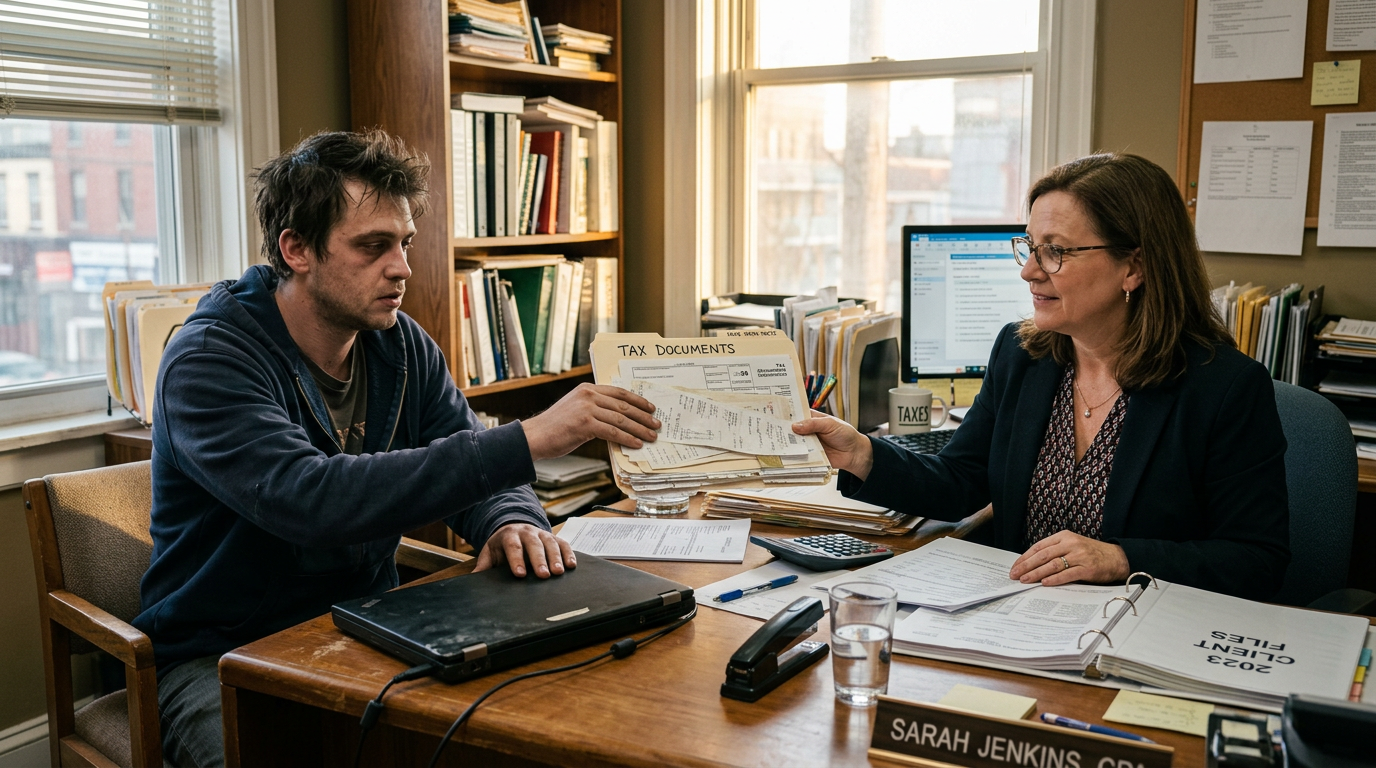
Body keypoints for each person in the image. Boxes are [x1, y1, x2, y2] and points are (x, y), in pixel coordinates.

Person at [134, 130, 660, 768]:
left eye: (404, 242)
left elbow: (465, 449)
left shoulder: (399, 343)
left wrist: (510, 518)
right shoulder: (208, 360)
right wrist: (529, 438)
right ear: (295, 249)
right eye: (373, 246)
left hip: (362, 625)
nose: (403, 267)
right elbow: (314, 500)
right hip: (223, 655)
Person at [795, 152, 1289, 601]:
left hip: (1137, 631)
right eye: (1029, 246)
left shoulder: (1223, 387)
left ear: (1133, 267)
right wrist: (862, 454)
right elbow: (960, 482)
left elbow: (1256, 560)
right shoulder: (1022, 355)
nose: (1030, 270)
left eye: (1055, 251)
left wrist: (1122, 559)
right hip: (1018, 623)